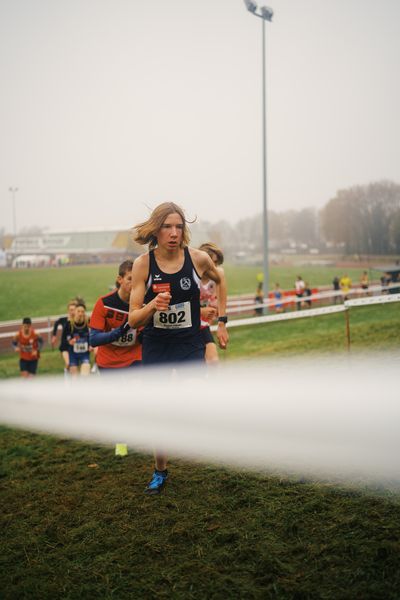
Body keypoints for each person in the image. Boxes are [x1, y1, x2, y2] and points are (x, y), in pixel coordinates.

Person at [128, 202, 229, 495]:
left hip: (188, 342)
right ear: (155, 229)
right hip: (156, 344)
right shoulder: (143, 264)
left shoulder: (197, 259)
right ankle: (160, 472)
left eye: (178, 227)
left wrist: (222, 321)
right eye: (166, 227)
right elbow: (133, 319)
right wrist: (151, 306)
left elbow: (221, 280)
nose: (173, 233)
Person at [89, 260, 142, 371]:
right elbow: (93, 339)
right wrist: (120, 331)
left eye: (137, 279)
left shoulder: (145, 303)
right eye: (130, 279)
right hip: (108, 363)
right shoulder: (104, 303)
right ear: (120, 279)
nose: (134, 284)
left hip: (134, 360)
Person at [198, 242, 227, 364]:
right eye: (212, 262)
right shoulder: (191, 274)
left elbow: (222, 299)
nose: (214, 267)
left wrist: (222, 324)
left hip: (203, 324)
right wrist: (200, 310)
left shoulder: (218, 274)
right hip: (184, 326)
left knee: (213, 362)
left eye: (217, 263)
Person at [64, 302, 92, 376]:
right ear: (75, 312)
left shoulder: (88, 322)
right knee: (75, 380)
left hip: (85, 353)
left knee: (85, 376)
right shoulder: (69, 324)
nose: (80, 313)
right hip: (73, 354)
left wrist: (91, 345)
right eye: (78, 311)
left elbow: (93, 335)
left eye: (82, 311)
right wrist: (69, 341)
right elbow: (64, 338)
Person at [51, 300, 78, 373]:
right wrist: (54, 335)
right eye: (70, 310)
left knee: (74, 366)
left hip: (74, 346)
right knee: (68, 363)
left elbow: (81, 332)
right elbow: (56, 323)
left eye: (73, 310)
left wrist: (76, 339)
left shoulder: (78, 321)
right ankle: (66, 372)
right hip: (65, 346)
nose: (72, 311)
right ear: (68, 311)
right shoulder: (64, 320)